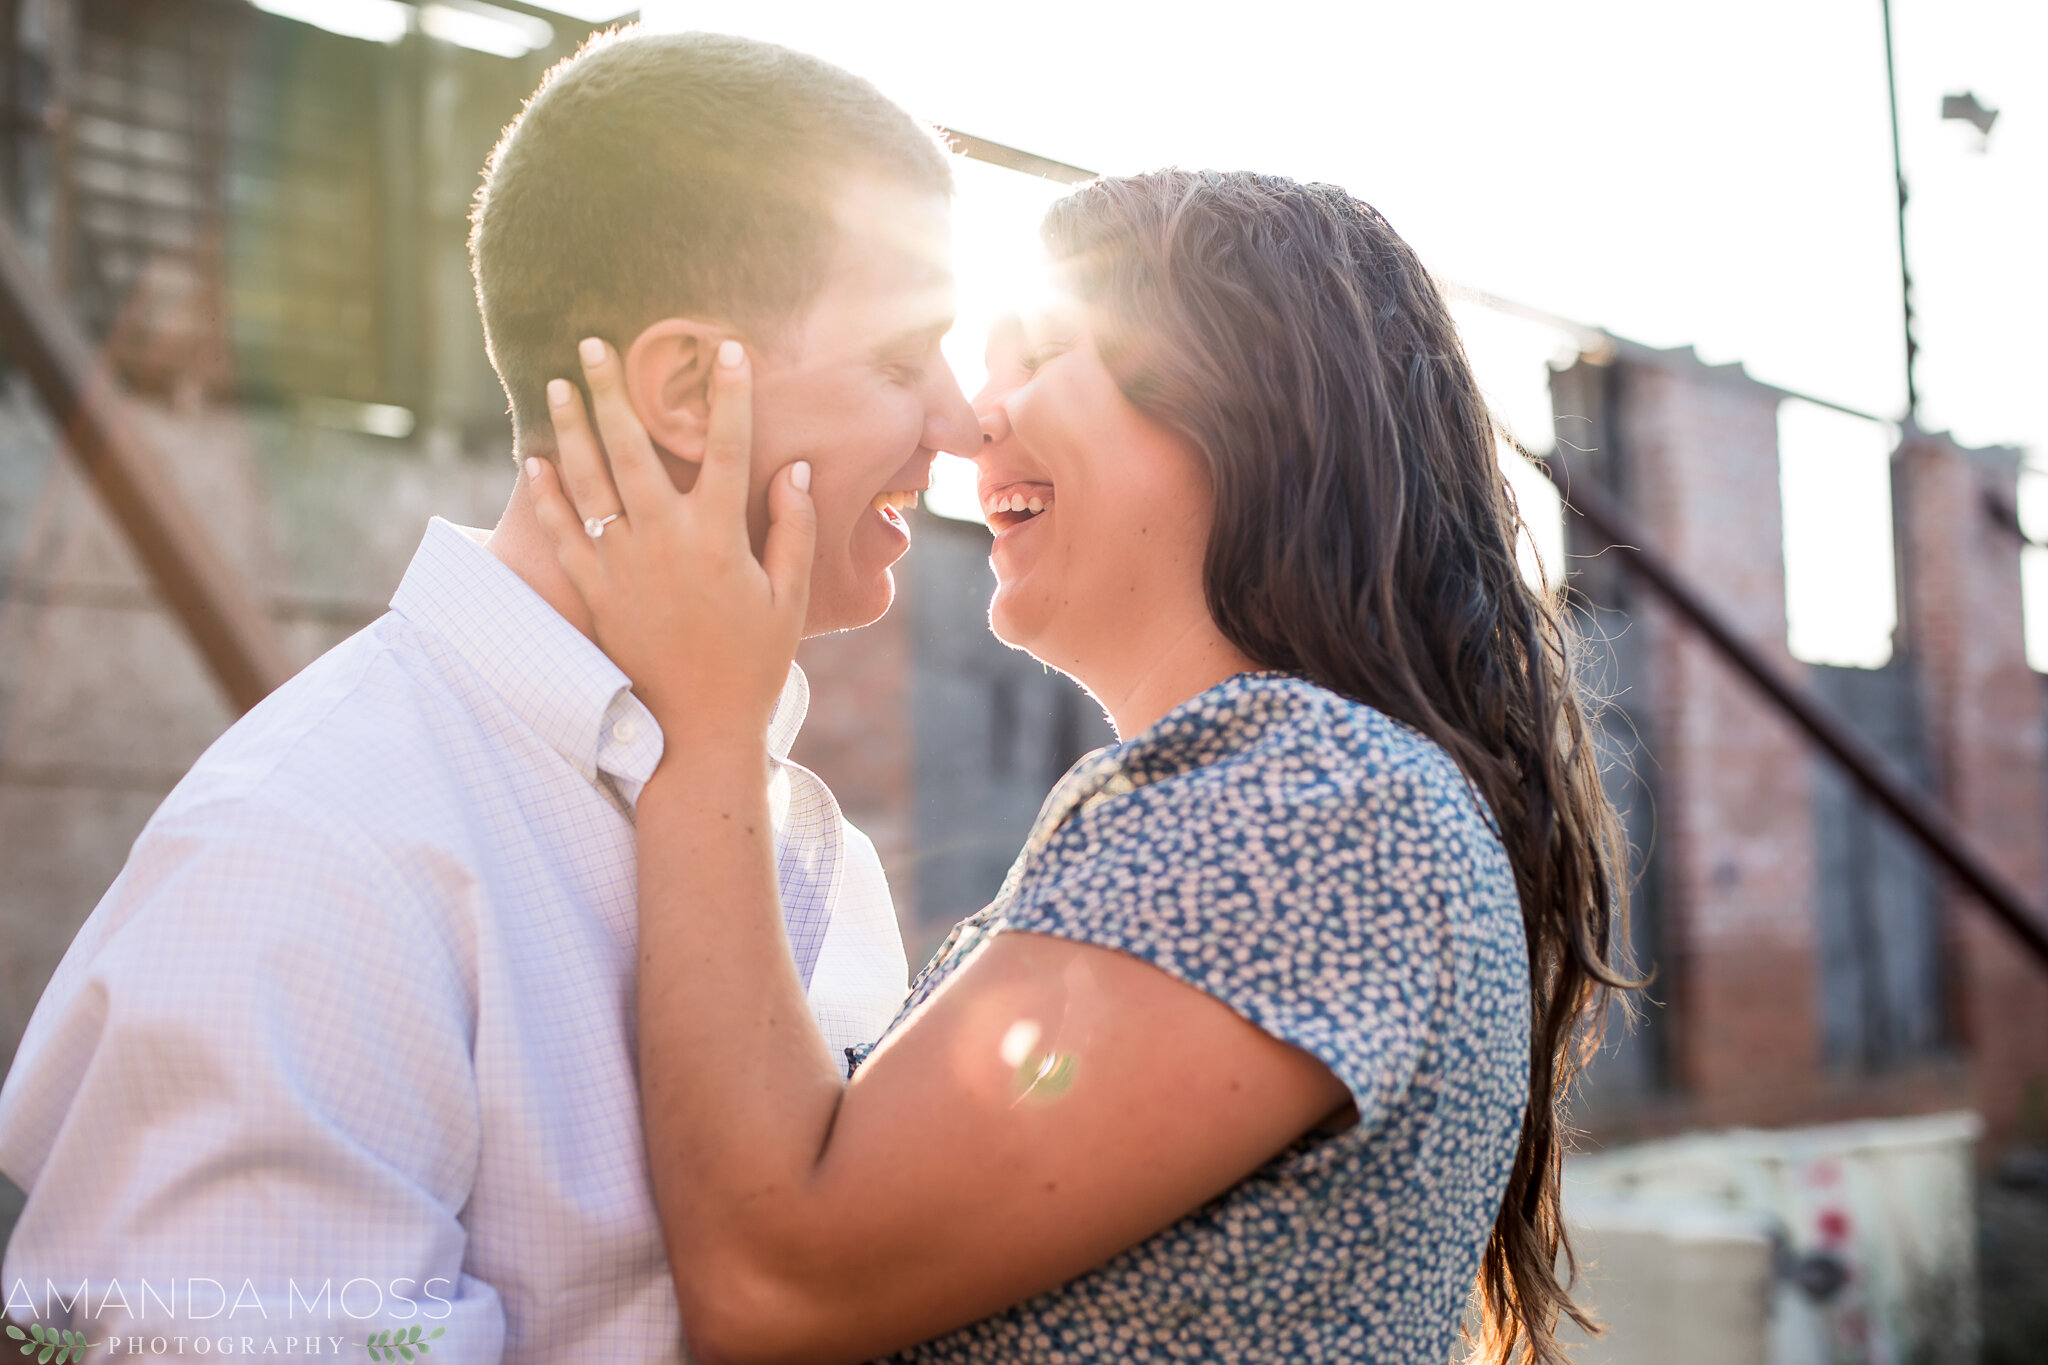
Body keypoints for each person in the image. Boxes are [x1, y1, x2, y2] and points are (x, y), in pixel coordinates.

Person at [528, 168, 1636, 1364]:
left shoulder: (1313, 804)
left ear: (1253, 402)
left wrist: (702, 720)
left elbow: (772, 1280)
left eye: (1040, 353)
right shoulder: (1273, 796)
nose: (969, 423)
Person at [0, 30, 977, 1361]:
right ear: (691, 389)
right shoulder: (309, 856)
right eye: (904, 358)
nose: (965, 423)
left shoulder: (804, 839)